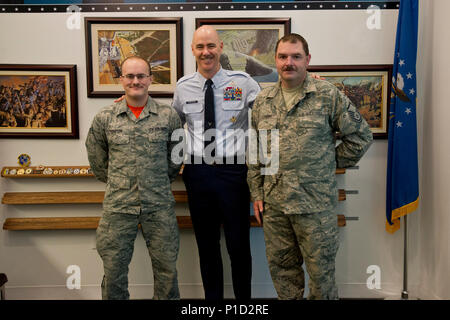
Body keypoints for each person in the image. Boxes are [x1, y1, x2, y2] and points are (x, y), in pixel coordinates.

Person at [247, 33, 373, 300]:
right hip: (275, 207)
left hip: (315, 207)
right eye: (282, 57)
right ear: (276, 61)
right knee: (283, 275)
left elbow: (361, 136)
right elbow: (256, 152)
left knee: (321, 278)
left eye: (296, 56)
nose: (288, 62)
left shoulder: (327, 95)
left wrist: (327, 162)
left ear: (308, 60)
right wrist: (256, 194)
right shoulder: (263, 101)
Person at [171, 25, 260, 300]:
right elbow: (173, 127)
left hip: (234, 173)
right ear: (193, 50)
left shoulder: (243, 83)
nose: (206, 52)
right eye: (200, 47)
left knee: (238, 246)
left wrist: (311, 81)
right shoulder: (183, 87)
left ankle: (243, 303)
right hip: (198, 175)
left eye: (211, 46)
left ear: (221, 47)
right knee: (207, 247)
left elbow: (270, 115)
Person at [85, 56, 183, 300]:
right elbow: (97, 160)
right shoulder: (105, 118)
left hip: (159, 205)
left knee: (167, 271)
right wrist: (120, 182)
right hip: (118, 207)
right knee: (114, 272)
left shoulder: (168, 116)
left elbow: (177, 157)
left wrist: (156, 181)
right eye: (130, 76)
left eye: (141, 76)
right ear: (121, 80)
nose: (135, 81)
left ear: (150, 79)